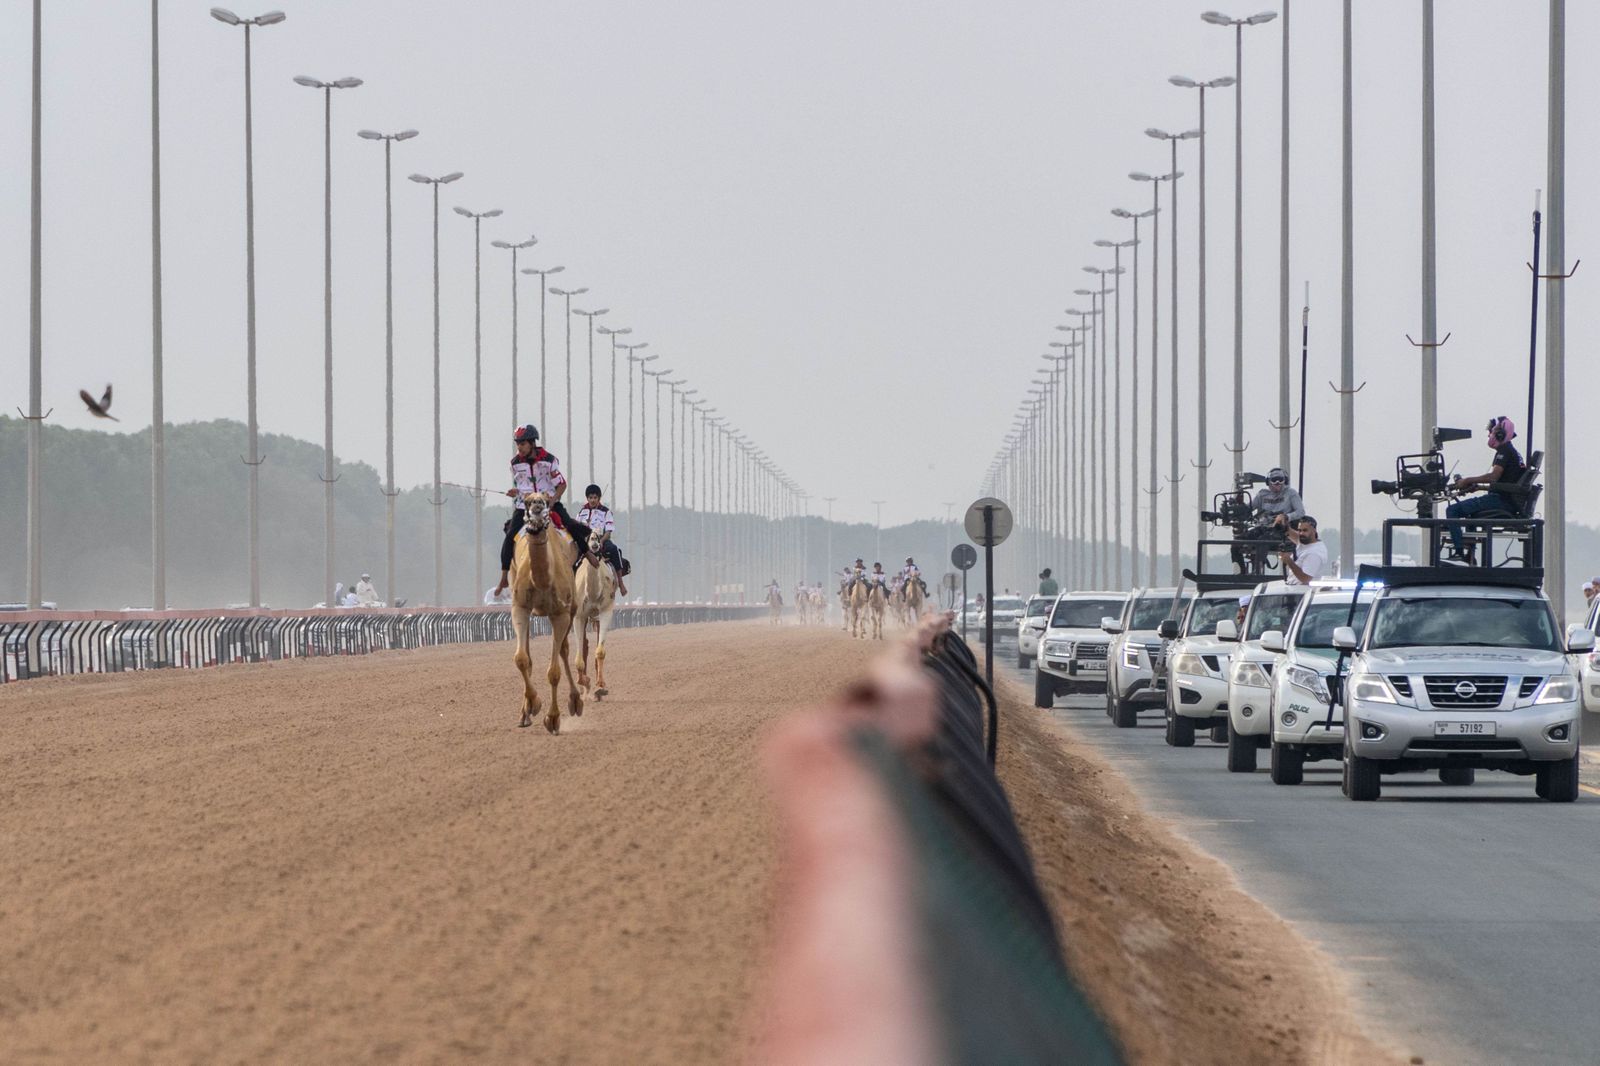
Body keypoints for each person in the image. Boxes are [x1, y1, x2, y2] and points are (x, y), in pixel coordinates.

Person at [493, 424, 597, 596]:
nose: (519, 447)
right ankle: (504, 576)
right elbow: (521, 486)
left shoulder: (549, 461)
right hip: (525, 506)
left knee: (569, 524)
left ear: (532, 443)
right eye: (517, 444)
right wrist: (516, 492)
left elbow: (562, 484)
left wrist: (552, 501)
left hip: (549, 503)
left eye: (522, 444)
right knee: (510, 535)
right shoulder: (515, 464)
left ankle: (586, 552)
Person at [1445, 415, 1527, 560]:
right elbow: (1503, 483)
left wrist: (1467, 480)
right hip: (1506, 500)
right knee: (1470, 513)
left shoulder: (1504, 451)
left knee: (1452, 510)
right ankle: (1470, 554)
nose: (1489, 435)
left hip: (1500, 501)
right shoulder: (1509, 451)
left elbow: (1493, 477)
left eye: (1492, 432)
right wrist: (1478, 487)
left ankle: (1459, 552)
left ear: (1500, 434)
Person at [575, 483, 630, 596]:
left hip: (601, 539)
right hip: (586, 541)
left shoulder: (606, 512)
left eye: (595, 497)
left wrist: (601, 541)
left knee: (614, 549)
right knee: (572, 554)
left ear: (599, 498)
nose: (592, 500)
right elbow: (576, 529)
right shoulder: (581, 512)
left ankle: (620, 583)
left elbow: (608, 532)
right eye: (590, 497)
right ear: (587, 498)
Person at [1279, 515, 1328, 585]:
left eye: (1305, 530)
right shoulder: (1306, 542)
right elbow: (1293, 534)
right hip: (1293, 587)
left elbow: (1306, 579)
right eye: (1299, 530)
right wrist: (1283, 523)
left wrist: (1289, 561)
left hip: (1303, 590)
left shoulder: (1314, 553)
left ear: (1314, 530)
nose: (1301, 533)